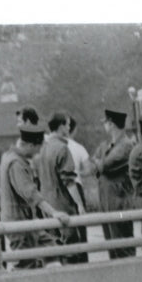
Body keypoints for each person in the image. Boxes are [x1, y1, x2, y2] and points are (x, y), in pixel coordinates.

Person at [0, 122, 69, 269]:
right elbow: (30, 194)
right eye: (39, 148)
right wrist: (54, 212)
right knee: (26, 264)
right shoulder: (16, 164)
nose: (39, 152)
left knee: (52, 250)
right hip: (20, 224)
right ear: (30, 145)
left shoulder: (8, 156)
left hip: (25, 222)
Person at [38, 110, 87, 264]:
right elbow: (69, 181)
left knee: (56, 249)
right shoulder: (62, 149)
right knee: (72, 250)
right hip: (63, 204)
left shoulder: (43, 148)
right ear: (60, 126)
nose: (69, 127)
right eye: (67, 124)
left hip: (47, 205)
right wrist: (79, 204)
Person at [91, 108, 135, 259]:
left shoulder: (125, 145)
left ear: (111, 124)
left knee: (122, 241)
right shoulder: (108, 144)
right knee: (111, 243)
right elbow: (93, 165)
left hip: (119, 199)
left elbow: (104, 166)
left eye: (106, 123)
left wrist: (98, 162)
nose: (105, 126)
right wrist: (98, 162)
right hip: (107, 198)